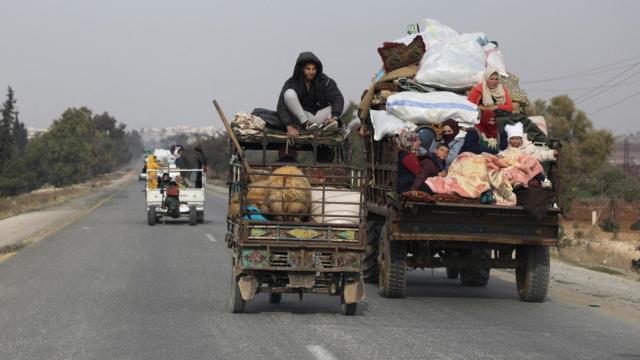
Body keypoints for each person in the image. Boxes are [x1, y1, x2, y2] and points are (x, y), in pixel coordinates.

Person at [277, 52, 344, 139]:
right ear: (302, 69)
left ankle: (327, 126)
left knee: (341, 105)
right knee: (289, 94)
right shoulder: (291, 82)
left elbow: (337, 97)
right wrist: (288, 126)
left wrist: (334, 116)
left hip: (318, 117)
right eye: (308, 69)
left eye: (314, 69)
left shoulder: (324, 81)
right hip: (301, 119)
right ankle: (307, 125)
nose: (311, 72)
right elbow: (281, 106)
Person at [501, 122, 554, 189]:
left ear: (521, 139)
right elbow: (502, 158)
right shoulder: (507, 151)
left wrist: (551, 154)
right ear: (509, 140)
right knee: (511, 169)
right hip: (516, 170)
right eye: (512, 138)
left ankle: (543, 181)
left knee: (534, 163)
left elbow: (538, 154)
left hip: (528, 169)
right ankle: (517, 182)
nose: (515, 141)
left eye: (517, 138)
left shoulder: (528, 148)